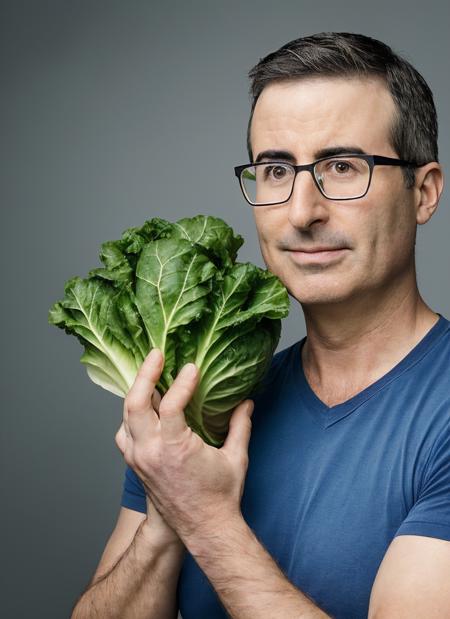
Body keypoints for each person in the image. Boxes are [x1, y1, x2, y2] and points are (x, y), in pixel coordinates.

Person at [71, 32, 449, 619]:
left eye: (342, 167)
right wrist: (168, 511)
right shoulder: (202, 409)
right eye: (276, 171)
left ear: (423, 192)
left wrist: (205, 516)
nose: (301, 212)